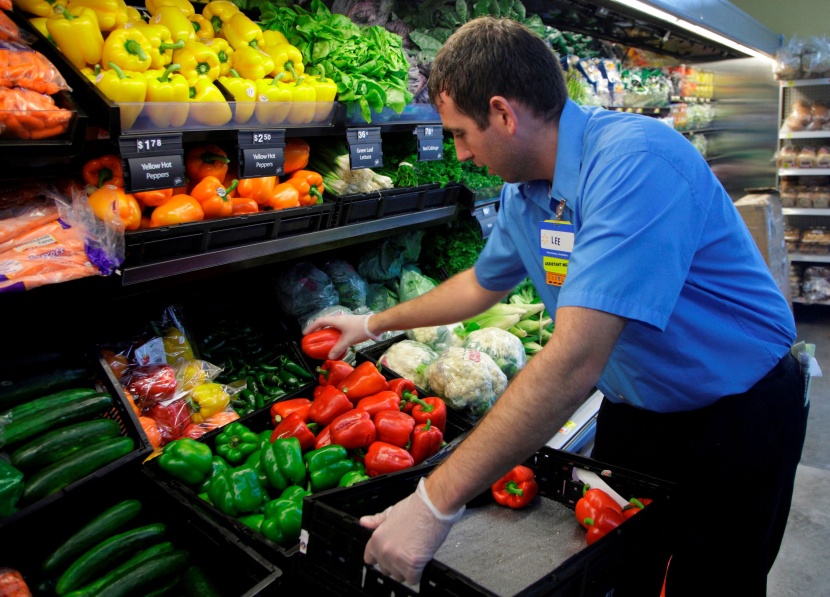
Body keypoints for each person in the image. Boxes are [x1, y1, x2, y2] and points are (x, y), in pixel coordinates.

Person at [303, 15, 808, 597]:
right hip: (637, 410)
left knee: (712, 585)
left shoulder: (636, 162)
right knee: (622, 574)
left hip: (737, 414)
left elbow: (574, 360)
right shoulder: (525, 193)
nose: (460, 154)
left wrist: (433, 503)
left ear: (503, 114)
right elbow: (481, 284)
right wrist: (370, 323)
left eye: (461, 134)